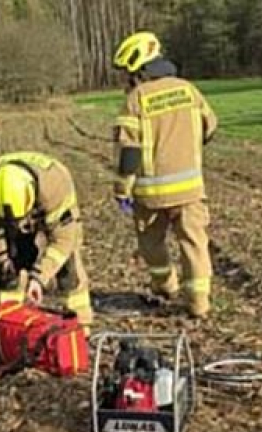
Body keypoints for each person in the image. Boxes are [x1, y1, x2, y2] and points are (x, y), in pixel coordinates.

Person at [110, 31, 219, 318]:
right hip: (190, 190)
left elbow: (129, 150)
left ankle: (166, 287)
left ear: (138, 69)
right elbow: (210, 127)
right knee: (194, 243)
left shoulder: (136, 99)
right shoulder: (188, 90)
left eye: (126, 73)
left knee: (152, 244)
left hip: (150, 194)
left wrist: (122, 189)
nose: (125, 79)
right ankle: (199, 302)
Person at [0, 151, 93, 333]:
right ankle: (10, 323)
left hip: (53, 202)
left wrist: (39, 278)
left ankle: (80, 324)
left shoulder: (55, 187)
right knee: (11, 265)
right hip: (14, 205)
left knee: (68, 267)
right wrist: (3, 258)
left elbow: (63, 241)